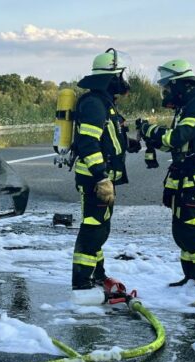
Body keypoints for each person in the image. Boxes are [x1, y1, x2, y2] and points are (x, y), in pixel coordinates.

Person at [135, 59, 195, 288]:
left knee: (189, 231)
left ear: (179, 84)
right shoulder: (187, 106)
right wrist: (152, 138)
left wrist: (150, 129)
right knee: (181, 231)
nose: (165, 91)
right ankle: (193, 277)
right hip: (185, 175)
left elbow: (178, 136)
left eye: (167, 86)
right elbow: (174, 145)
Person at [70, 48, 141, 304]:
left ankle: (97, 275)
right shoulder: (94, 103)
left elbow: (107, 138)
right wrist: (101, 176)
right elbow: (88, 142)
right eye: (120, 74)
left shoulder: (104, 103)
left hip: (104, 178)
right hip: (94, 179)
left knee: (100, 228)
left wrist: (128, 142)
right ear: (110, 76)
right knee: (93, 230)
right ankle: (81, 283)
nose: (123, 80)